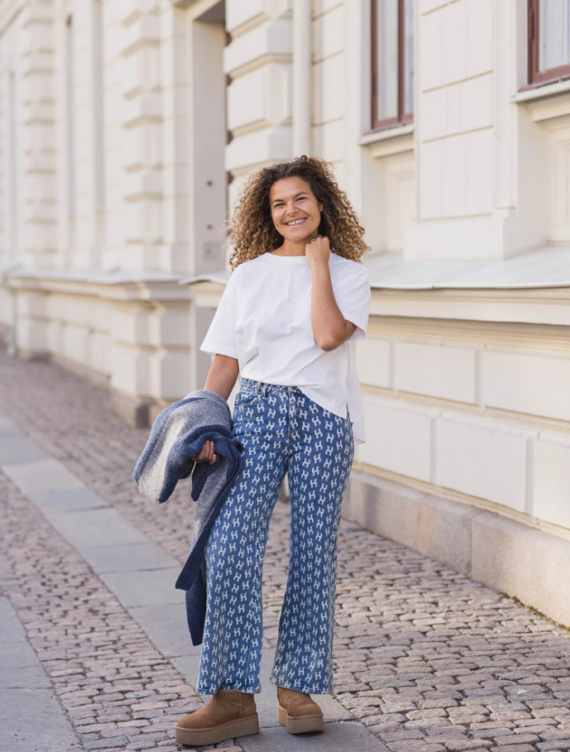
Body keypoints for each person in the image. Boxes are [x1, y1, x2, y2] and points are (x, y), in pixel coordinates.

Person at [174, 155, 371, 747]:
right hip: (256, 412)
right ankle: (232, 696)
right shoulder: (248, 275)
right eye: (280, 203)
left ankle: (297, 687)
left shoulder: (348, 274)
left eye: (301, 200)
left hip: (324, 418)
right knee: (231, 546)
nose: (291, 210)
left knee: (314, 554)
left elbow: (329, 335)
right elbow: (225, 362)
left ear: (321, 205)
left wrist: (317, 268)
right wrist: (208, 425)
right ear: (269, 212)